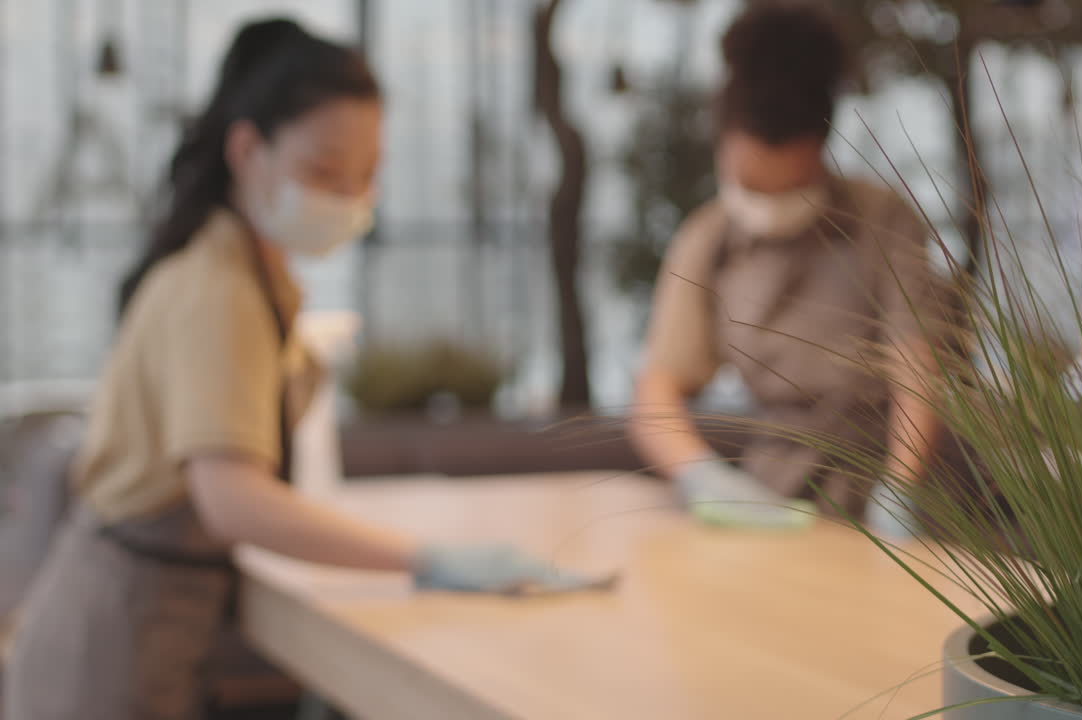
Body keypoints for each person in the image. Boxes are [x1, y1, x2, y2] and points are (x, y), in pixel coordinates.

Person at [4, 19, 591, 720]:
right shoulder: (217, 289)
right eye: (323, 172)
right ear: (247, 150)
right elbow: (231, 498)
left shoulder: (250, 274)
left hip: (136, 617)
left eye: (366, 174)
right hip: (109, 640)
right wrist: (427, 558)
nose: (348, 196)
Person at [629, 2, 952, 531]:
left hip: (882, 480)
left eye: (792, 187)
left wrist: (902, 486)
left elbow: (919, 369)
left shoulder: (881, 218)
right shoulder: (707, 240)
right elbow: (658, 388)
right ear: (723, 144)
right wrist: (698, 473)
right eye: (755, 187)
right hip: (772, 497)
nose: (771, 206)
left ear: (822, 148)